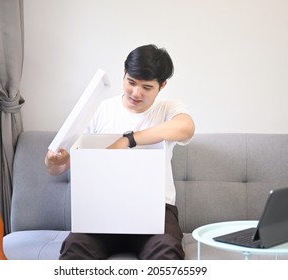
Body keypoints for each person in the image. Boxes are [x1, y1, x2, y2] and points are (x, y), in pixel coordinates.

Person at [44, 44, 195, 260]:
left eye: (146, 87)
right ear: (124, 73)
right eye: (131, 82)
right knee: (74, 248)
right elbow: (56, 168)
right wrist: (55, 161)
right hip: (103, 208)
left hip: (155, 209)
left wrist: (128, 140)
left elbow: (186, 127)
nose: (136, 92)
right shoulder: (100, 109)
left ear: (162, 85)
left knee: (166, 250)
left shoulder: (168, 108)